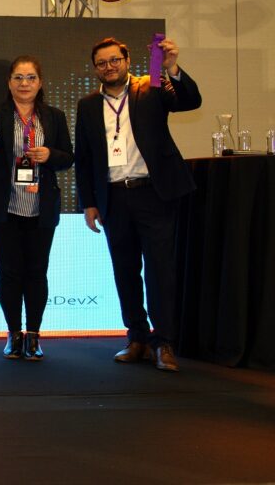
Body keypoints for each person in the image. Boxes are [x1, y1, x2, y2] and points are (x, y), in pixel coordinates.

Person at [75, 37, 201, 372]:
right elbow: (84, 158)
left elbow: (190, 101)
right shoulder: (88, 105)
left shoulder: (151, 87)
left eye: (114, 60)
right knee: (125, 270)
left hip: (153, 194)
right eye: (101, 63)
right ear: (95, 68)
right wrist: (89, 203)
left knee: (160, 271)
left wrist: (171, 67)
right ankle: (137, 339)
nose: (109, 67)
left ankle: (165, 343)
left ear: (127, 60)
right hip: (113, 197)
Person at [0, 55, 74, 360]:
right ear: (9, 82)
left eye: (30, 78)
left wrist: (50, 154)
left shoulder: (54, 117)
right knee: (9, 272)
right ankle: (14, 334)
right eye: (18, 77)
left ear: (40, 83)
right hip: (3, 208)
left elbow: (68, 158)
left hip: (41, 207)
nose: (24, 83)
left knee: (37, 272)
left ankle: (34, 336)